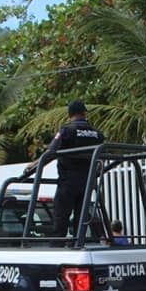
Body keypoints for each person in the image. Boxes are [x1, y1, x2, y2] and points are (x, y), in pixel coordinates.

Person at [46, 100, 104, 238]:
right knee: (81, 217)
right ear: (84, 113)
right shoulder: (97, 133)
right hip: (87, 182)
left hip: (68, 181)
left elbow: (51, 152)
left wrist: (34, 165)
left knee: (61, 216)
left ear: (69, 114)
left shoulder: (67, 130)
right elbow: (101, 159)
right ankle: (78, 243)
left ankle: (57, 244)